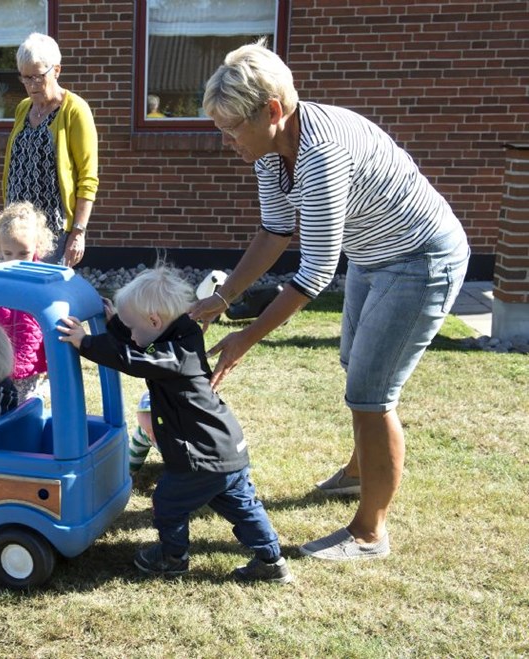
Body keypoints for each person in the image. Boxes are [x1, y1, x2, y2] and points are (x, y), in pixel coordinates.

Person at [192, 41, 470, 561]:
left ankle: (369, 534)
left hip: (421, 261)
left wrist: (245, 339)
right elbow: (275, 231)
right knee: (355, 366)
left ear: (272, 111)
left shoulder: (321, 155)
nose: (228, 140)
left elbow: (315, 273)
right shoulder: (271, 152)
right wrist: (224, 296)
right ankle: (359, 472)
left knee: (371, 392)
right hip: (372, 253)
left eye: (232, 127)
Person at [58, 265, 293, 584]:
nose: (131, 333)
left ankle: (172, 557)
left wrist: (86, 343)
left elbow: (135, 359)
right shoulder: (182, 335)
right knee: (242, 506)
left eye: (131, 326)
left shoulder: (175, 354)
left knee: (168, 501)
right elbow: (138, 345)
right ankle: (271, 559)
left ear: (155, 321)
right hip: (227, 448)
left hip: (200, 455)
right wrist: (116, 325)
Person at [3, 32, 99, 267]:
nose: (32, 86)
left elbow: (88, 178)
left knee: (45, 296)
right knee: (13, 296)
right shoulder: (23, 108)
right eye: (25, 78)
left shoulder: (75, 110)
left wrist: (78, 232)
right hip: (17, 228)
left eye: (38, 76)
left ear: (56, 70)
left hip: (52, 231)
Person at [0, 201, 55, 401]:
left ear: (37, 246)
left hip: (26, 364)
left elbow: (40, 325)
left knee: (21, 406)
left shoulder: (41, 280)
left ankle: (38, 399)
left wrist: (30, 363)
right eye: (8, 254)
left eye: (23, 253)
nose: (16, 260)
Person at [129, 391, 160, 478]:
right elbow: (135, 452)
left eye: (156, 432)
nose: (151, 437)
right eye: (147, 430)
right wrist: (128, 471)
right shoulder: (143, 433)